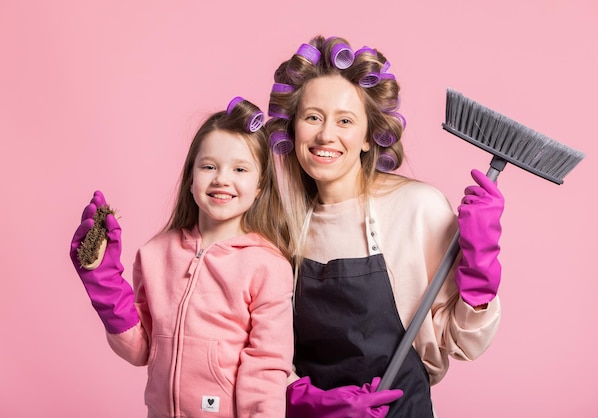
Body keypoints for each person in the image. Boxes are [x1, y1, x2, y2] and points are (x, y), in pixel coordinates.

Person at [265, 35, 504, 417]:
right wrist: (307, 402)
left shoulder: (417, 208)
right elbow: (261, 352)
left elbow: (464, 344)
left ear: (366, 137)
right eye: (313, 117)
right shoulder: (277, 225)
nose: (327, 135)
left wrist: (481, 271)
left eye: (345, 120)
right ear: (292, 129)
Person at [69, 97, 294, 417]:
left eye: (240, 168)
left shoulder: (267, 267)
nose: (221, 179)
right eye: (209, 166)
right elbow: (140, 349)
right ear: (191, 178)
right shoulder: (156, 253)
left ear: (259, 186)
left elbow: (266, 368)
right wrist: (103, 282)